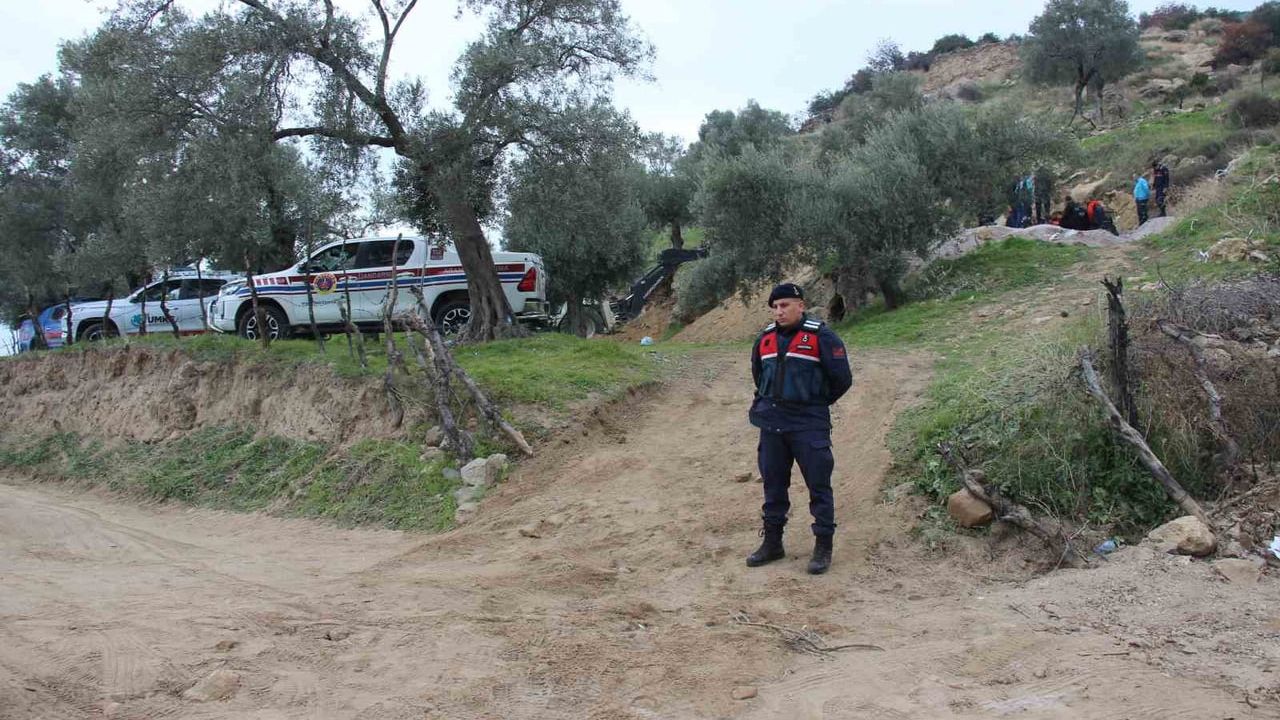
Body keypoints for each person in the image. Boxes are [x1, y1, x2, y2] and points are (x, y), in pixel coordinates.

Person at [747, 283, 853, 575]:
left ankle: (823, 546)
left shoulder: (822, 336)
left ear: (801, 305)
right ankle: (772, 543)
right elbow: (759, 375)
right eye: (775, 307)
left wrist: (814, 403)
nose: (779, 311)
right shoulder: (765, 339)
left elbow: (842, 379)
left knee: (819, 485)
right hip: (772, 424)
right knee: (773, 486)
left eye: (785, 305)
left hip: (809, 424)